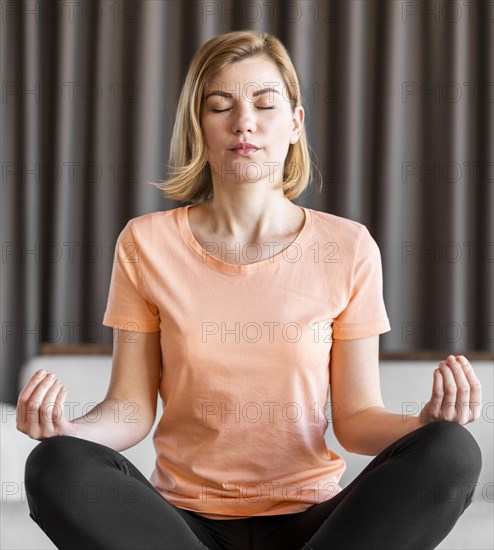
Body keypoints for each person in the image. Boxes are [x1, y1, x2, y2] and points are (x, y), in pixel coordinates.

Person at [18, 30, 482, 550]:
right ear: (201, 126)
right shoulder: (145, 242)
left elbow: (354, 421)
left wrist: (422, 423)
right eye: (221, 106)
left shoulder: (348, 246)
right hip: (183, 528)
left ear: (294, 124)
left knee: (452, 450)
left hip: (314, 527)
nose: (244, 122)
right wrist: (67, 430)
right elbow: (131, 409)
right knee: (55, 464)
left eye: (264, 104)